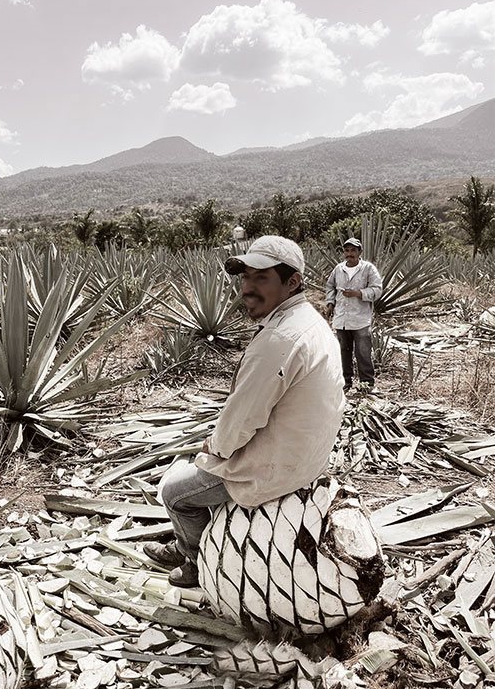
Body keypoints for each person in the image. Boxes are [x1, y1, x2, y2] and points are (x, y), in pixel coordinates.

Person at [144, 235, 345, 587]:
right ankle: (192, 543)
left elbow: (244, 416)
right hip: (306, 455)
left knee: (175, 493)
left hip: (275, 465)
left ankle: (195, 561)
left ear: (292, 281)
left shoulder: (280, 338)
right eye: (245, 277)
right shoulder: (310, 323)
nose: (247, 288)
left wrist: (216, 447)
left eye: (261, 278)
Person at [325, 238, 383, 392]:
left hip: (360, 319)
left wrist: (358, 293)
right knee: (343, 351)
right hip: (341, 318)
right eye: (347, 250)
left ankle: (367, 384)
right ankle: (345, 382)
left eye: (353, 250)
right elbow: (330, 286)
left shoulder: (368, 269)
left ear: (359, 252)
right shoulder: (338, 269)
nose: (349, 254)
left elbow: (377, 290)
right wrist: (330, 303)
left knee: (363, 352)